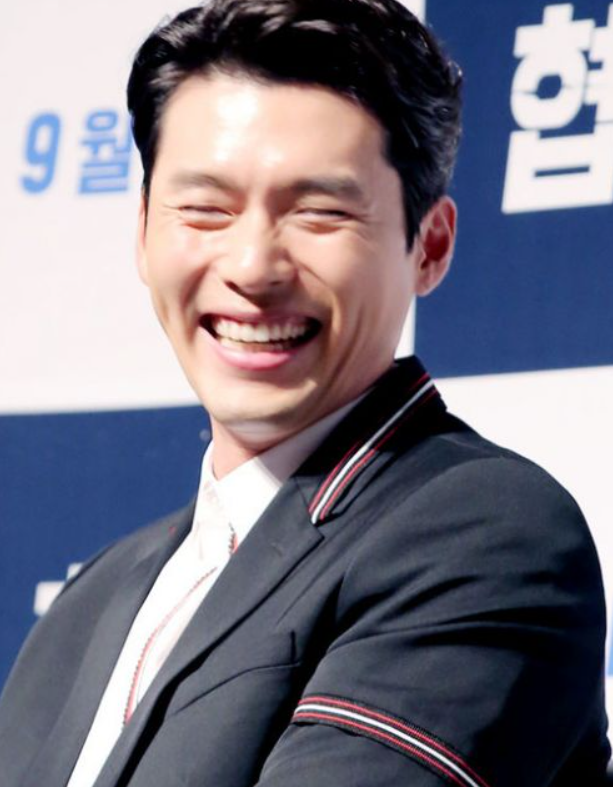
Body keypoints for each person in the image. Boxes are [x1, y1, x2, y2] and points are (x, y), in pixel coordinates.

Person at [0, 0, 609, 785]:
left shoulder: (488, 534)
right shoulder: (92, 598)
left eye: (319, 212)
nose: (253, 266)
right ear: (143, 230)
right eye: (205, 210)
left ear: (429, 245)